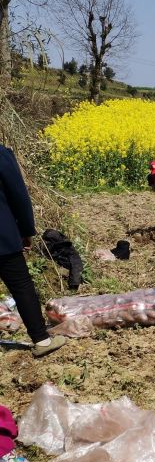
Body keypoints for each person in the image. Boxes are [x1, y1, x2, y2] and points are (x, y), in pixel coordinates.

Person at [0, 144, 65, 357]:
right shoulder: (1, 154)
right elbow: (19, 196)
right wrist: (26, 230)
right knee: (21, 286)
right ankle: (42, 339)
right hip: (3, 238)